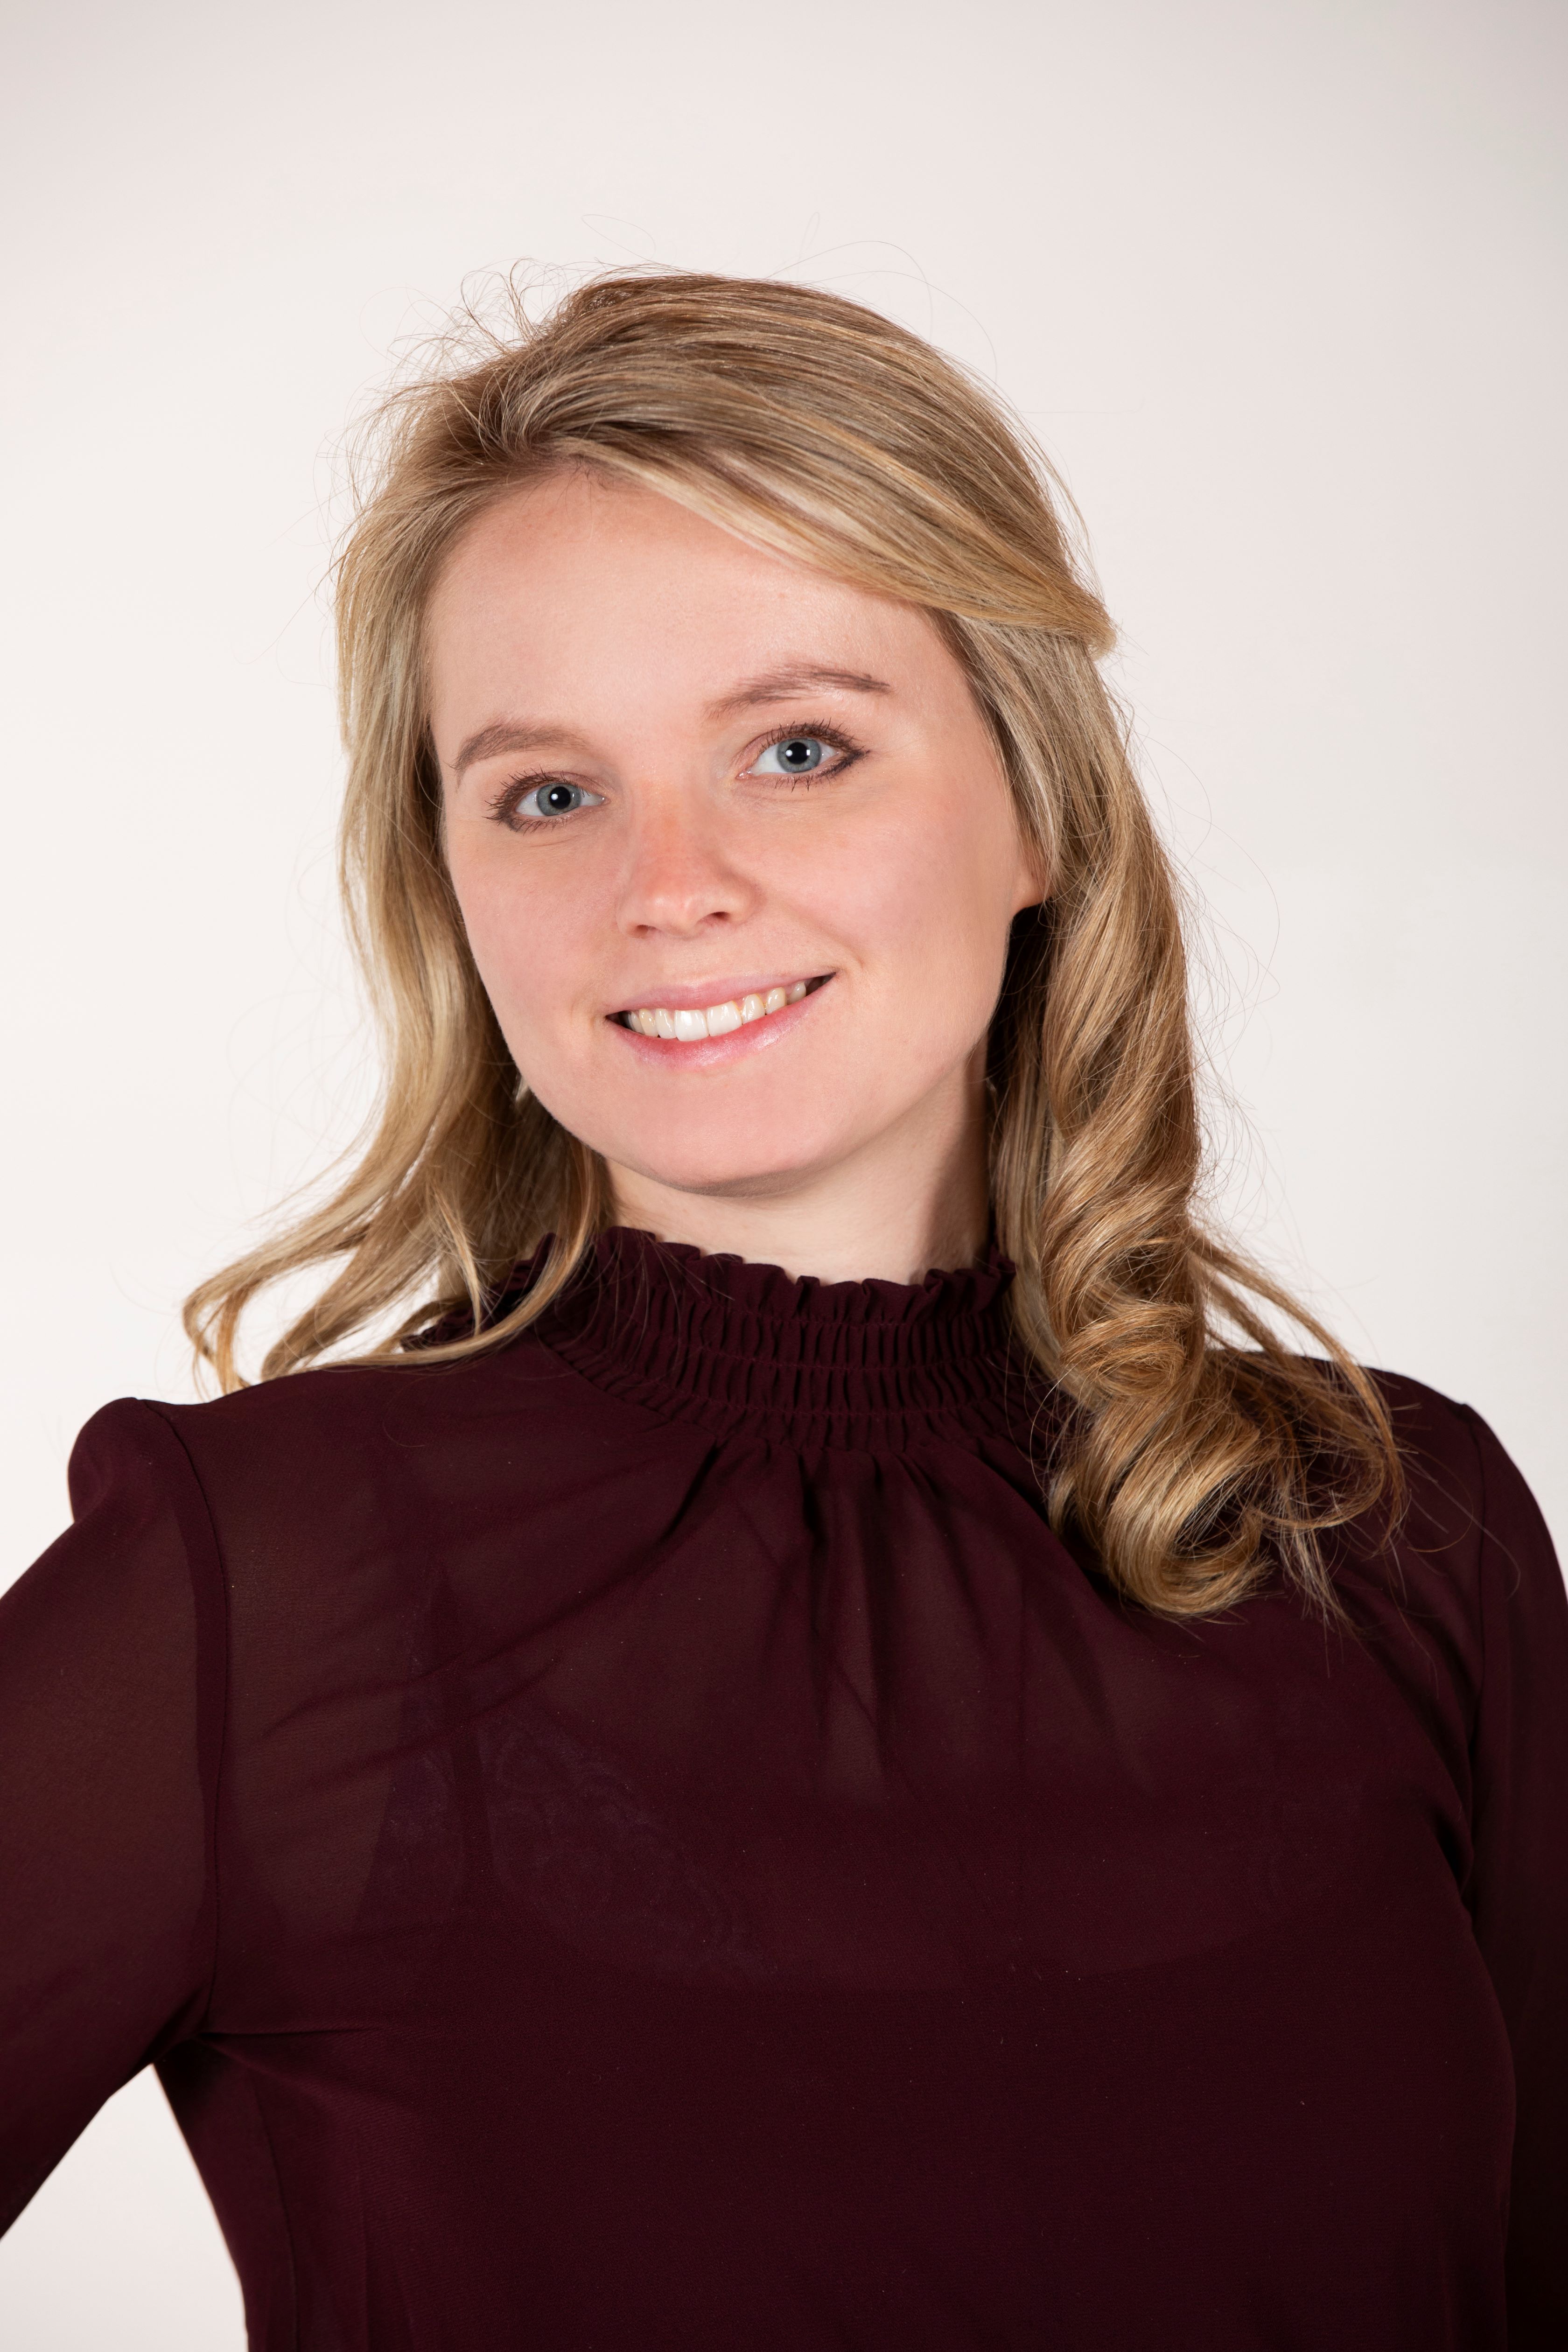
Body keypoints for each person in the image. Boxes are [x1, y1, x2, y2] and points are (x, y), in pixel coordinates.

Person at [1, 271, 1563, 2352]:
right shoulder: (257, 1588)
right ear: (449, 882)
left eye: (799, 748)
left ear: (1039, 804)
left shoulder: (1395, 1526)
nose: (671, 883)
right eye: (548, 793)